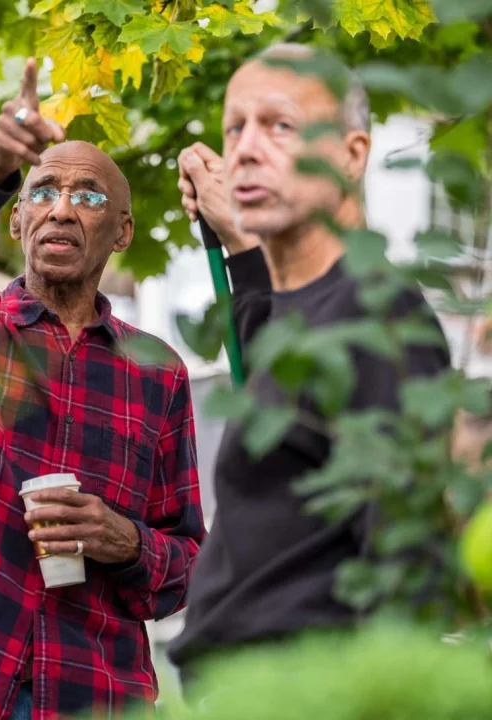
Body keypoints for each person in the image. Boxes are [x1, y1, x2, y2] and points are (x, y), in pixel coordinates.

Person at [0, 58, 205, 720]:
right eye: (43, 192)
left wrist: (125, 541)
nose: (61, 209)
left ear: (122, 231)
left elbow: (188, 564)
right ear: (17, 220)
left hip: (97, 696)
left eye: (89, 197)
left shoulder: (158, 371)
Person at [168, 43, 452, 684]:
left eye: (281, 125)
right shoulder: (305, 312)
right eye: (235, 128)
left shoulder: (375, 320)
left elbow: (406, 569)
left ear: (351, 155)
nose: (245, 149)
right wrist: (239, 244)